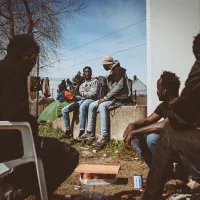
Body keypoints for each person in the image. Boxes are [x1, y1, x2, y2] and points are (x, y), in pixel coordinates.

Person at [0, 34, 79, 198]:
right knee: (69, 153)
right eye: (33, 58)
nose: (33, 64)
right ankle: (22, 192)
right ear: (27, 56)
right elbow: (12, 114)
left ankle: (10, 187)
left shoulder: (5, 68)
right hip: (10, 145)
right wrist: (33, 123)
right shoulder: (14, 75)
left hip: (8, 141)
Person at [141, 33, 200, 200]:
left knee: (166, 135)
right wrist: (135, 126)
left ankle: (191, 179)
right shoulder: (163, 105)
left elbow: (176, 119)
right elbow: (149, 120)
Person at [123, 71, 180, 167]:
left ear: (164, 91)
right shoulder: (164, 105)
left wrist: (133, 132)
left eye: (158, 89)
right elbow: (148, 120)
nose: (157, 92)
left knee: (152, 138)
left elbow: (162, 125)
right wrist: (133, 125)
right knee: (138, 137)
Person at [79, 55, 130, 147]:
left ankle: (104, 135)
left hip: (121, 98)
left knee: (102, 106)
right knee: (92, 105)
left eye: (103, 65)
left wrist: (105, 98)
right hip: (113, 98)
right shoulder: (113, 71)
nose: (103, 67)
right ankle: (90, 132)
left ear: (107, 64)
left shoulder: (119, 70)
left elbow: (119, 86)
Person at [59, 66, 99, 139]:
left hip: (91, 99)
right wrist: (75, 97)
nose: (87, 73)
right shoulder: (81, 85)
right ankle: (68, 132)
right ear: (83, 73)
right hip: (82, 100)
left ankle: (82, 131)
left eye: (88, 71)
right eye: (85, 72)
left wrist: (82, 94)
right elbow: (81, 96)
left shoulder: (95, 81)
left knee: (82, 106)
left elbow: (93, 94)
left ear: (91, 73)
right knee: (64, 110)